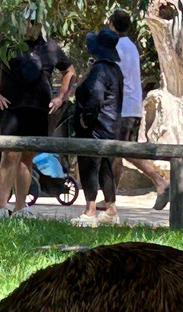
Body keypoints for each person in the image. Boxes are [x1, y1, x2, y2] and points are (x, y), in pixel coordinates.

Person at [0, 12, 75, 219]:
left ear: (41, 24)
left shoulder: (50, 46)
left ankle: (21, 207)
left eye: (35, 23)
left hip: (38, 111)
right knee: (9, 156)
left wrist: (60, 98)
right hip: (12, 110)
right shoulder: (9, 44)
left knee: (27, 159)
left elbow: (70, 71)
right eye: (27, 23)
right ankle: (2, 209)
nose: (31, 27)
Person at [109, 8, 170, 209]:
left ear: (111, 25)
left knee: (123, 150)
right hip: (133, 106)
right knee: (117, 153)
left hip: (122, 108)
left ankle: (159, 181)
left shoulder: (115, 46)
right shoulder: (131, 47)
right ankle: (110, 198)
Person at [71, 28, 123, 226]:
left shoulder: (100, 70)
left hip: (95, 127)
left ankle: (90, 210)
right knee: (106, 167)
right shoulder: (115, 69)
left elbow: (95, 96)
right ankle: (110, 209)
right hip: (111, 126)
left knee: (89, 166)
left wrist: (86, 118)